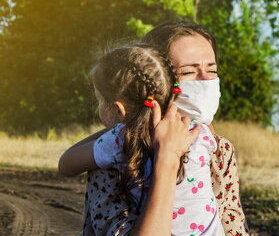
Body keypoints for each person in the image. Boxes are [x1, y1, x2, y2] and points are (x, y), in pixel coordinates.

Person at [61, 21, 248, 235]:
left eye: (212, 69)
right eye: (188, 72)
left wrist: (123, 127)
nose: (205, 80)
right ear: (162, 82)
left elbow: (233, 222)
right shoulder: (114, 160)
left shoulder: (222, 150)